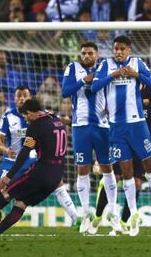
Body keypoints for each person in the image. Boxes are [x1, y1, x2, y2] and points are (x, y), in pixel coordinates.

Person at [0, 86, 78, 233]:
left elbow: (61, 122)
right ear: (14, 99)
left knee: (57, 184)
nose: (21, 98)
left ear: (30, 98)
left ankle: (77, 218)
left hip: (32, 160)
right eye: (18, 96)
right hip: (11, 160)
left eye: (24, 95)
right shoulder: (8, 116)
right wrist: (5, 149)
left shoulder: (42, 116)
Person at [91, 35, 151, 236]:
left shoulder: (138, 63)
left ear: (129, 50)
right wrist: (113, 75)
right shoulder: (105, 66)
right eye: (115, 49)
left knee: (149, 166)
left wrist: (136, 75)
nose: (118, 52)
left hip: (138, 125)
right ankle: (133, 213)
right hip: (116, 128)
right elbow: (94, 87)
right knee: (125, 173)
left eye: (122, 49)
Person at [61, 42, 120, 235]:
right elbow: (65, 92)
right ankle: (86, 213)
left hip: (102, 127)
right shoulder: (72, 68)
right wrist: (83, 80)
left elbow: (113, 91)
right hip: (80, 127)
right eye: (83, 53)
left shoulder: (104, 67)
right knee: (82, 169)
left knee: (107, 168)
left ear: (96, 54)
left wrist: (112, 107)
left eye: (90, 53)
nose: (86, 56)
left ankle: (112, 213)